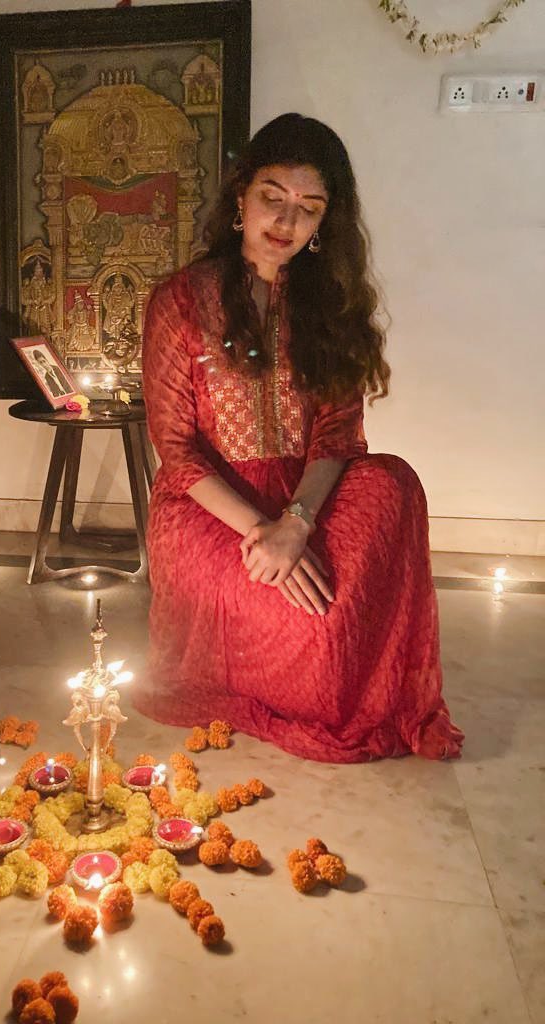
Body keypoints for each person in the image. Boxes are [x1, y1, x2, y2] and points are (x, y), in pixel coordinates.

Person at [135, 113, 464, 763]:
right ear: (240, 197)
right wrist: (263, 532)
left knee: (393, 482)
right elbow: (176, 448)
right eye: (272, 199)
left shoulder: (329, 305)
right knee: (300, 626)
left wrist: (298, 523)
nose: (286, 222)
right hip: (209, 513)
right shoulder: (176, 300)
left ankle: (328, 654)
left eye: (308, 210)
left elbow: (340, 432)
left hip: (303, 503)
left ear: (324, 226)